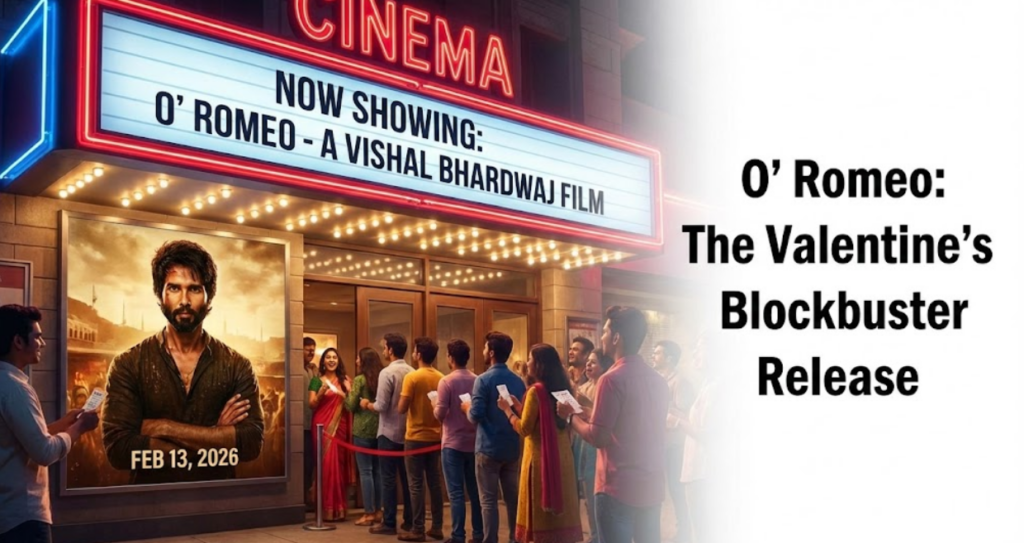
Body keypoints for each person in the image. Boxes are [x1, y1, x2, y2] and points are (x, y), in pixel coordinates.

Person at [101, 240, 264, 485]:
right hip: (149, 504)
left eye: (195, 289)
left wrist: (164, 427)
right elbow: (120, 449)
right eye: (174, 288)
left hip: (217, 500)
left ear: (209, 296)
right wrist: (216, 435)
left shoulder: (236, 365)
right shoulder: (128, 363)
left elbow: (250, 443)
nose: (184, 300)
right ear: (160, 294)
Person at [558, 306, 670, 543]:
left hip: (616, 486)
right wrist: (588, 412)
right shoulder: (658, 380)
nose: (602, 336)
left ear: (617, 337)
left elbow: (598, 437)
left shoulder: (611, 379)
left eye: (606, 331)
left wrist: (571, 417)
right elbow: (635, 421)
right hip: (651, 485)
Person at [0, 305, 100, 543]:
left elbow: (23, 440)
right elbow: (43, 452)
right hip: (23, 517)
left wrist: (63, 424)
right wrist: (78, 428)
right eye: (37, 336)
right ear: (18, 342)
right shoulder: (15, 388)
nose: (43, 343)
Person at [499, 344, 583, 543]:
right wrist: (519, 406)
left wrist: (507, 411)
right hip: (562, 457)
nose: (527, 362)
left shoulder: (536, 391)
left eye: (530, 358)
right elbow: (541, 419)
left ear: (539, 365)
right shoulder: (563, 387)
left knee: (539, 514)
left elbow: (525, 429)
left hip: (540, 459)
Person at [465, 331, 527, 543]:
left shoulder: (483, 380)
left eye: (484, 348)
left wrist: (466, 407)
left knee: (488, 501)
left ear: (491, 352)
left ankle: (490, 540)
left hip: (488, 447)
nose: (482, 351)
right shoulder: (518, 381)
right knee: (512, 499)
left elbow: (476, 415)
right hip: (511, 447)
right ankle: (515, 539)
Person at [361, 333, 414, 535]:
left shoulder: (387, 373)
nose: (383, 351)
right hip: (407, 432)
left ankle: (389, 522)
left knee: (388, 479)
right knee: (408, 479)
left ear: (390, 350)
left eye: (384, 347)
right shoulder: (412, 371)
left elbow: (382, 405)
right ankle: (409, 520)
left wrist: (367, 404)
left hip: (388, 432)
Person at [434, 339, 483, 543]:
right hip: (474, 442)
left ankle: (458, 535)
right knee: (475, 492)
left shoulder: (446, 382)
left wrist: (433, 404)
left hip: (452, 443)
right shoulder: (477, 379)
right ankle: (479, 534)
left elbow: (440, 413)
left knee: (455, 492)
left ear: (451, 358)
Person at [397, 337, 446, 541]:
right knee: (434, 482)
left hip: (415, 436)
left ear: (418, 354)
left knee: (416, 484)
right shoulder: (441, 377)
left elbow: (401, 408)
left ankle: (417, 528)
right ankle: (437, 526)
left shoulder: (412, 377)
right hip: (436, 436)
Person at [653, 340, 695, 543]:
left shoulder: (680, 382)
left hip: (675, 446)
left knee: (676, 490)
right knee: (663, 488)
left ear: (669, 358)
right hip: (660, 443)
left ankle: (684, 530)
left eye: (658, 353)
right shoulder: (659, 379)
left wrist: (664, 413)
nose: (654, 356)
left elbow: (685, 415)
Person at [308, 347, 353, 521]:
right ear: (323, 361)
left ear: (338, 361)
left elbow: (350, 405)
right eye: (328, 357)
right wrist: (321, 392)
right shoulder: (315, 381)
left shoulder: (345, 381)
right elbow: (311, 404)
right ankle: (325, 509)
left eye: (335, 357)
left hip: (340, 428)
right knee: (325, 465)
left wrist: (347, 391)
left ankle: (338, 508)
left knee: (338, 466)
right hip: (321, 426)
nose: (332, 360)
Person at [679, 335, 715, 543]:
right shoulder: (706, 384)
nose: (694, 354)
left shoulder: (717, 388)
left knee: (704, 533)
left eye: (700, 348)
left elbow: (709, 434)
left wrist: (676, 422)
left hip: (704, 472)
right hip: (696, 470)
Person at [575, 349, 614, 543]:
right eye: (588, 362)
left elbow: (600, 416)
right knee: (585, 491)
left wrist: (583, 403)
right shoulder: (585, 385)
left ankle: (597, 536)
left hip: (594, 443)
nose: (588, 365)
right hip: (582, 441)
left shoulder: (605, 385)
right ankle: (593, 534)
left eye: (593, 362)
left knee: (593, 491)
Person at [346, 347, 385, 527]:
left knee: (366, 472)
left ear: (363, 361)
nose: (356, 362)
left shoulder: (360, 380)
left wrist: (348, 391)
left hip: (362, 430)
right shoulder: (382, 377)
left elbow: (351, 405)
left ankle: (368, 512)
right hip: (379, 429)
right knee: (377, 472)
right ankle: (378, 511)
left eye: (358, 359)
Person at [302, 337, 319, 509]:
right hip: (298, 425)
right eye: (307, 349)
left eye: (313, 349)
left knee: (310, 463)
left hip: (312, 425)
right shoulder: (294, 369)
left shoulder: (313, 372)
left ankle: (308, 497)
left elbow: (316, 391)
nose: (311, 352)